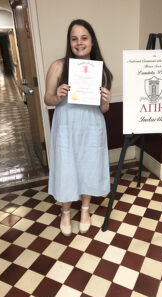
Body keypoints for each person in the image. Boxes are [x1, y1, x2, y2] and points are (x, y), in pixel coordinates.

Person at [44, 19, 113, 236]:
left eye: (84, 38)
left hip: (92, 125)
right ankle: (65, 212)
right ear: (69, 42)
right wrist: (58, 96)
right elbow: (47, 99)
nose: (79, 43)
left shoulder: (101, 71)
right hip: (66, 126)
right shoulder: (58, 66)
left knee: (89, 165)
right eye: (74, 38)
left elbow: (103, 109)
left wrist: (106, 101)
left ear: (92, 42)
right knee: (66, 166)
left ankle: (85, 209)